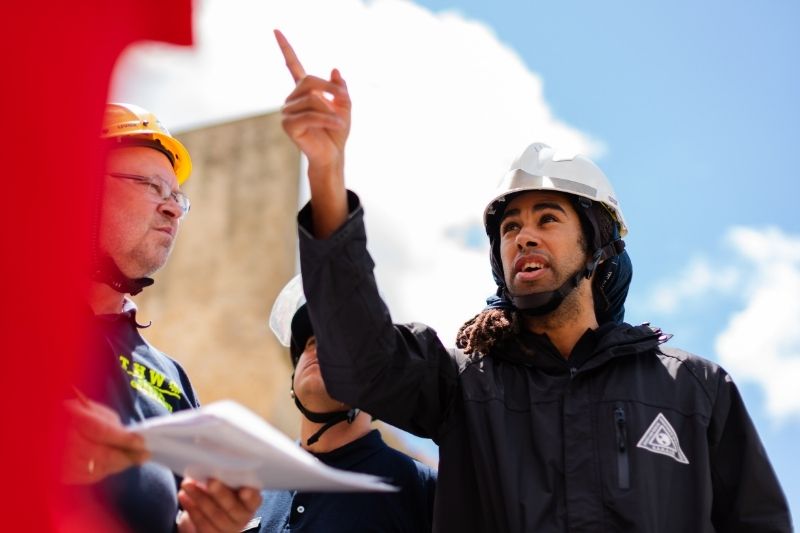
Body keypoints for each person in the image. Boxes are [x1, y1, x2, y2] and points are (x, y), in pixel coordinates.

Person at [273, 30, 793, 532]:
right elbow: (357, 354)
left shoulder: (695, 391)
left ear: (598, 245)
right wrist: (326, 170)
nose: (523, 237)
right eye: (510, 227)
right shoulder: (461, 383)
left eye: (547, 219)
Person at [61, 103, 262, 533]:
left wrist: (204, 527)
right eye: (151, 186)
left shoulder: (170, 376)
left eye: (176, 197)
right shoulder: (21, 322)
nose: (172, 209)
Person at [248, 275, 436, 532]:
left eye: (338, 343)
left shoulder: (421, 490)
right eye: (311, 342)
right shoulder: (253, 488)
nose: (318, 349)